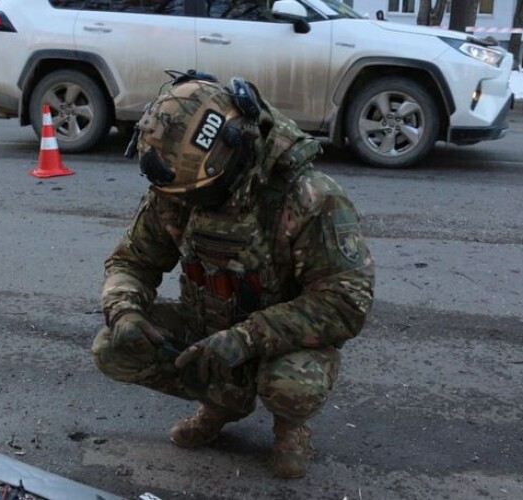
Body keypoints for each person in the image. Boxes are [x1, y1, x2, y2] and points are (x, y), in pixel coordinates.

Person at [92, 70, 374, 479]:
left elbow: (347, 301)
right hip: (208, 322)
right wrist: (125, 311)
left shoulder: (310, 195)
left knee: (293, 384)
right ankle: (223, 404)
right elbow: (131, 261)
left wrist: (247, 338)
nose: (188, 203)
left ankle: (290, 427)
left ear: (232, 157)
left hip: (280, 341)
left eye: (197, 193)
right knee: (114, 348)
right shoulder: (177, 187)